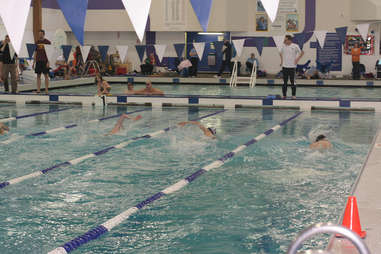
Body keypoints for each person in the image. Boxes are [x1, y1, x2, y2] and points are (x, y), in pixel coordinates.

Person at [279, 35, 304, 99]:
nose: (284, 41)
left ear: (289, 40)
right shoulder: (283, 46)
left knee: (293, 82)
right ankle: (284, 95)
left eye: (285, 40)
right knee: (284, 82)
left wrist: (297, 59)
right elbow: (280, 53)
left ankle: (293, 95)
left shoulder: (295, 46)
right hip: (285, 67)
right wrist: (281, 61)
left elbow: (302, 53)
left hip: (292, 67)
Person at [33, 29, 51, 94]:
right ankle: (38, 90)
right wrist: (33, 62)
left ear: (43, 34)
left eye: (41, 34)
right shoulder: (37, 42)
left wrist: (49, 62)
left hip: (45, 61)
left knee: (46, 75)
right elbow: (35, 52)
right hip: (38, 61)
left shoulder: (48, 42)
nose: (40, 35)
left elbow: (50, 53)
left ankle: (46, 90)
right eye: (39, 34)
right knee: (38, 76)